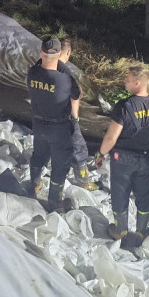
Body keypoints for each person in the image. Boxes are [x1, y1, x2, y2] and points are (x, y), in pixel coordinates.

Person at [95, 65, 149, 248]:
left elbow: (111, 137)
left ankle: (120, 230)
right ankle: (141, 231)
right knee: (143, 194)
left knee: (120, 193)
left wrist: (101, 153)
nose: (124, 81)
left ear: (137, 83)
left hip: (122, 158)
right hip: (145, 158)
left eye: (127, 79)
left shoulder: (124, 107)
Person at [27, 36, 81, 212]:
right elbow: (77, 95)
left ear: (41, 53)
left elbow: (38, 65)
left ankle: (34, 184)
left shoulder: (32, 73)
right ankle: (54, 200)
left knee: (39, 154)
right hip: (59, 128)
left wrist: (45, 58)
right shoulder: (64, 80)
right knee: (60, 164)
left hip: (38, 124)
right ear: (59, 55)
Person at [58, 38, 98, 191]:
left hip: (45, 117)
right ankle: (83, 181)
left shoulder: (41, 67)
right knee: (79, 148)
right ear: (67, 52)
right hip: (65, 117)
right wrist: (75, 118)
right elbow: (75, 97)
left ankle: (37, 180)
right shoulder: (66, 72)